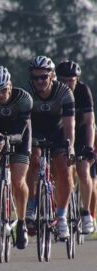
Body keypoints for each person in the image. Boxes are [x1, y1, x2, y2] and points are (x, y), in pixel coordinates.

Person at [0, 65, 32, 249]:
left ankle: (22, 223)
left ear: (10, 85)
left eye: (3, 90)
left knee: (18, 181)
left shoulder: (24, 99)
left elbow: (20, 132)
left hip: (20, 134)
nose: (0, 95)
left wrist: (9, 139)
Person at [25, 56, 75, 239]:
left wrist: (70, 147)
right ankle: (31, 203)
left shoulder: (64, 93)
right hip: (35, 132)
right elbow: (24, 124)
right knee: (33, 160)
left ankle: (61, 216)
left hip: (58, 132)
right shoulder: (27, 92)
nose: (39, 81)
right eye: (35, 77)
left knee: (64, 170)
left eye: (43, 77)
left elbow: (70, 125)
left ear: (52, 76)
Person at [56, 60, 95, 234]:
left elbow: (89, 123)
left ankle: (86, 212)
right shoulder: (55, 91)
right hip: (61, 134)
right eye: (62, 80)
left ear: (77, 79)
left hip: (80, 134)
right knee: (61, 171)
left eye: (70, 80)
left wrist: (88, 147)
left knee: (83, 169)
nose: (66, 84)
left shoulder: (83, 91)